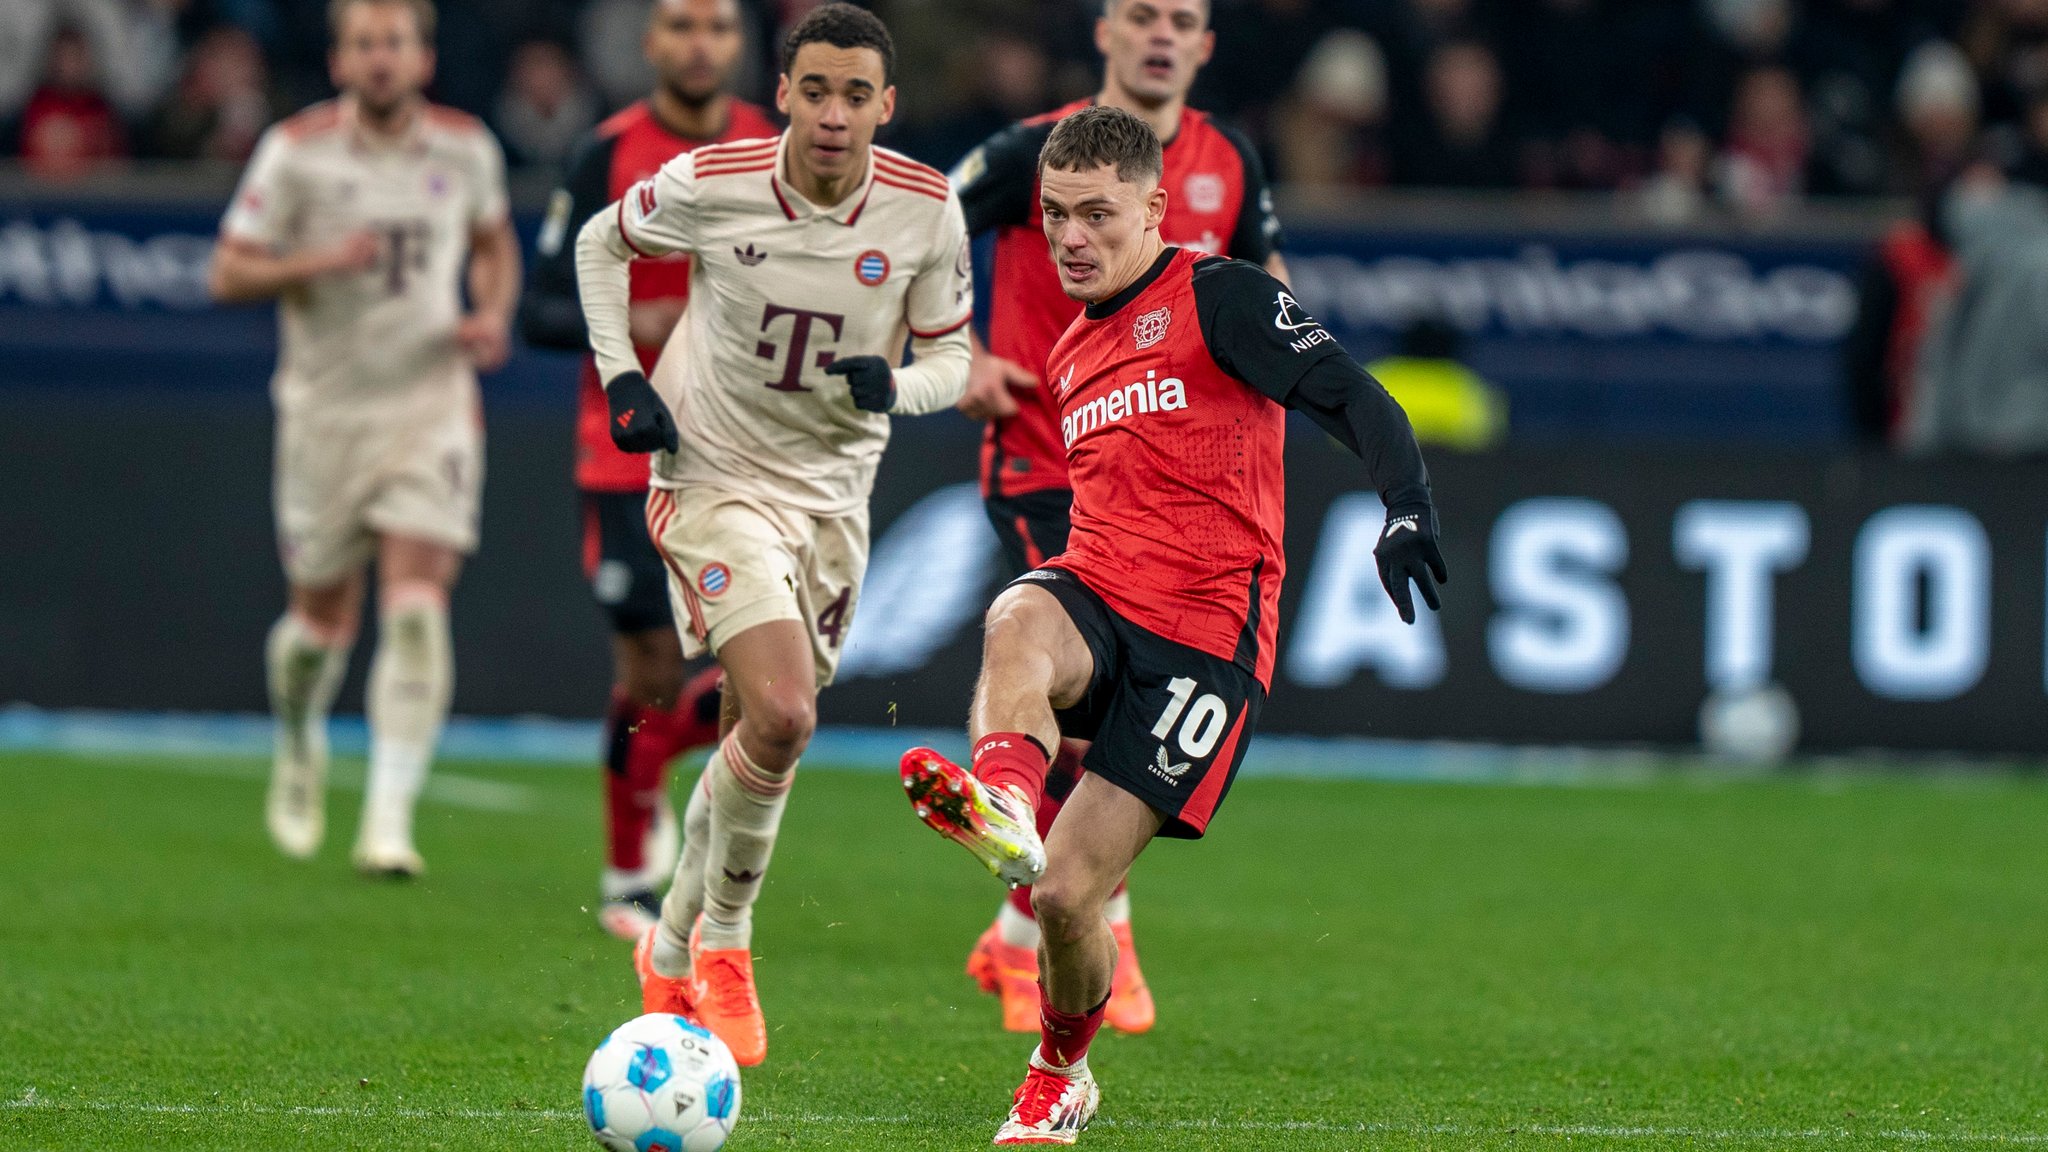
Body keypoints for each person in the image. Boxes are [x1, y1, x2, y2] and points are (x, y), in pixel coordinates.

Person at [899, 105, 1446, 1146]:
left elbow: (1350, 395)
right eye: (1054, 214)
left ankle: (1060, 1070)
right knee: (1018, 609)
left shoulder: (1219, 295)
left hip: (1205, 641)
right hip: (1097, 594)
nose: (1069, 236)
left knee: (1067, 902)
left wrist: (1405, 503)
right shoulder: (1069, 348)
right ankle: (1004, 802)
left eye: (1096, 214)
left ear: (1154, 208)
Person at [573, 3, 972, 1067]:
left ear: (885, 106)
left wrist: (899, 384)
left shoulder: (927, 212)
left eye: (855, 96)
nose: (833, 115)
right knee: (786, 713)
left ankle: (665, 945)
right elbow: (596, 243)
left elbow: (954, 360)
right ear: (783, 93)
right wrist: (621, 376)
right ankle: (728, 942)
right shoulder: (715, 181)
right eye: (813, 91)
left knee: (759, 730)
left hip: (831, 503)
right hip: (710, 476)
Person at [945, 0, 1289, 1039]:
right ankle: (1097, 922)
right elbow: (910, 224)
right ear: (1103, 32)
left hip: (1175, 491)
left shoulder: (1227, 157)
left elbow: (1265, 280)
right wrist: (950, 348)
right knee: (1059, 683)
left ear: (1203, 45)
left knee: (1102, 708)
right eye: (1139, 13)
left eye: (1179, 18)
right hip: (1050, 462)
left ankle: (1020, 934)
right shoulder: (1030, 154)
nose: (1158, 34)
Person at [208, 0, 519, 878]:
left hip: (430, 403)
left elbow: (493, 244)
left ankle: (388, 822)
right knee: (320, 622)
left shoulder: (465, 147)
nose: (380, 59)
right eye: (363, 45)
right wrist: (314, 262)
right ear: (340, 61)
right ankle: (301, 735)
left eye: (396, 43)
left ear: (422, 58)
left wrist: (488, 314)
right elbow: (227, 270)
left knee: (418, 602)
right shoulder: (296, 151)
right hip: (327, 412)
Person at [519, 0, 777, 943]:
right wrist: (642, 329)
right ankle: (631, 867)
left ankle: (696, 833)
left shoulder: (776, 150)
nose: (700, 42)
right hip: (629, 452)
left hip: (753, 453)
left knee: (773, 673)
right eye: (681, 25)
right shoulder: (604, 155)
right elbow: (538, 314)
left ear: (737, 43)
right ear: (652, 44)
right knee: (655, 669)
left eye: (716, 25)